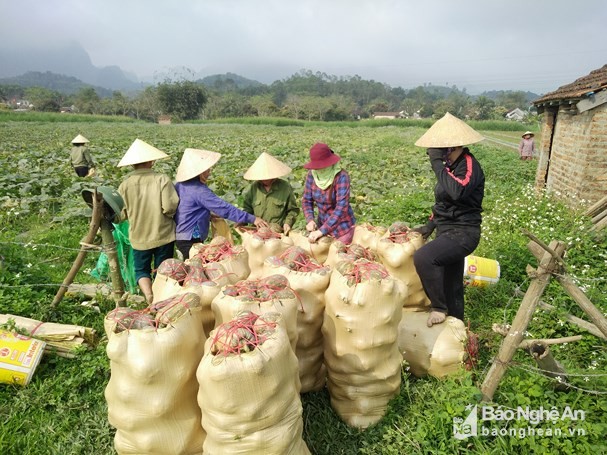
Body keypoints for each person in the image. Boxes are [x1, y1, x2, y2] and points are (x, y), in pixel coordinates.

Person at [412, 113, 485, 327]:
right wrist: (429, 226)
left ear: (452, 147)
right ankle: (457, 328)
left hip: (464, 232)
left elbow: (456, 191)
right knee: (451, 283)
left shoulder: (469, 165)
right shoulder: (450, 167)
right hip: (446, 231)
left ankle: (438, 307)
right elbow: (443, 203)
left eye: (441, 151)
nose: (439, 155)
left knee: (424, 257)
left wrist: (437, 163)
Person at [174, 148, 268, 259]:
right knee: (195, 270)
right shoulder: (199, 191)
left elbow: (187, 209)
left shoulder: (180, 185)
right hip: (191, 238)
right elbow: (224, 209)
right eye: (207, 170)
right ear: (200, 172)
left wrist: (207, 215)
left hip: (181, 235)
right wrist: (253, 219)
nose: (209, 172)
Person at [117, 138, 179, 304]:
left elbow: (120, 214)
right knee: (162, 269)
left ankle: (149, 295)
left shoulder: (125, 185)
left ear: (132, 164)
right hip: (163, 233)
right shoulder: (162, 179)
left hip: (139, 236)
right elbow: (169, 206)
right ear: (151, 161)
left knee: (141, 269)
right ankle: (161, 298)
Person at [302, 143, 356, 244]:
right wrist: (310, 220)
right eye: (317, 167)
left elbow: (341, 208)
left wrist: (321, 231)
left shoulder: (341, 176)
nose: (319, 170)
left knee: (336, 254)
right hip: (321, 225)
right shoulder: (312, 175)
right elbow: (306, 200)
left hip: (342, 228)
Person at [242, 152, 300, 235]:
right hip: (257, 231)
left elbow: (293, 210)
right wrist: (243, 221)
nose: (264, 179)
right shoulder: (254, 187)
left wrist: (288, 223)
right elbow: (247, 208)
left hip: (278, 232)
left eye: (267, 177)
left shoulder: (285, 187)